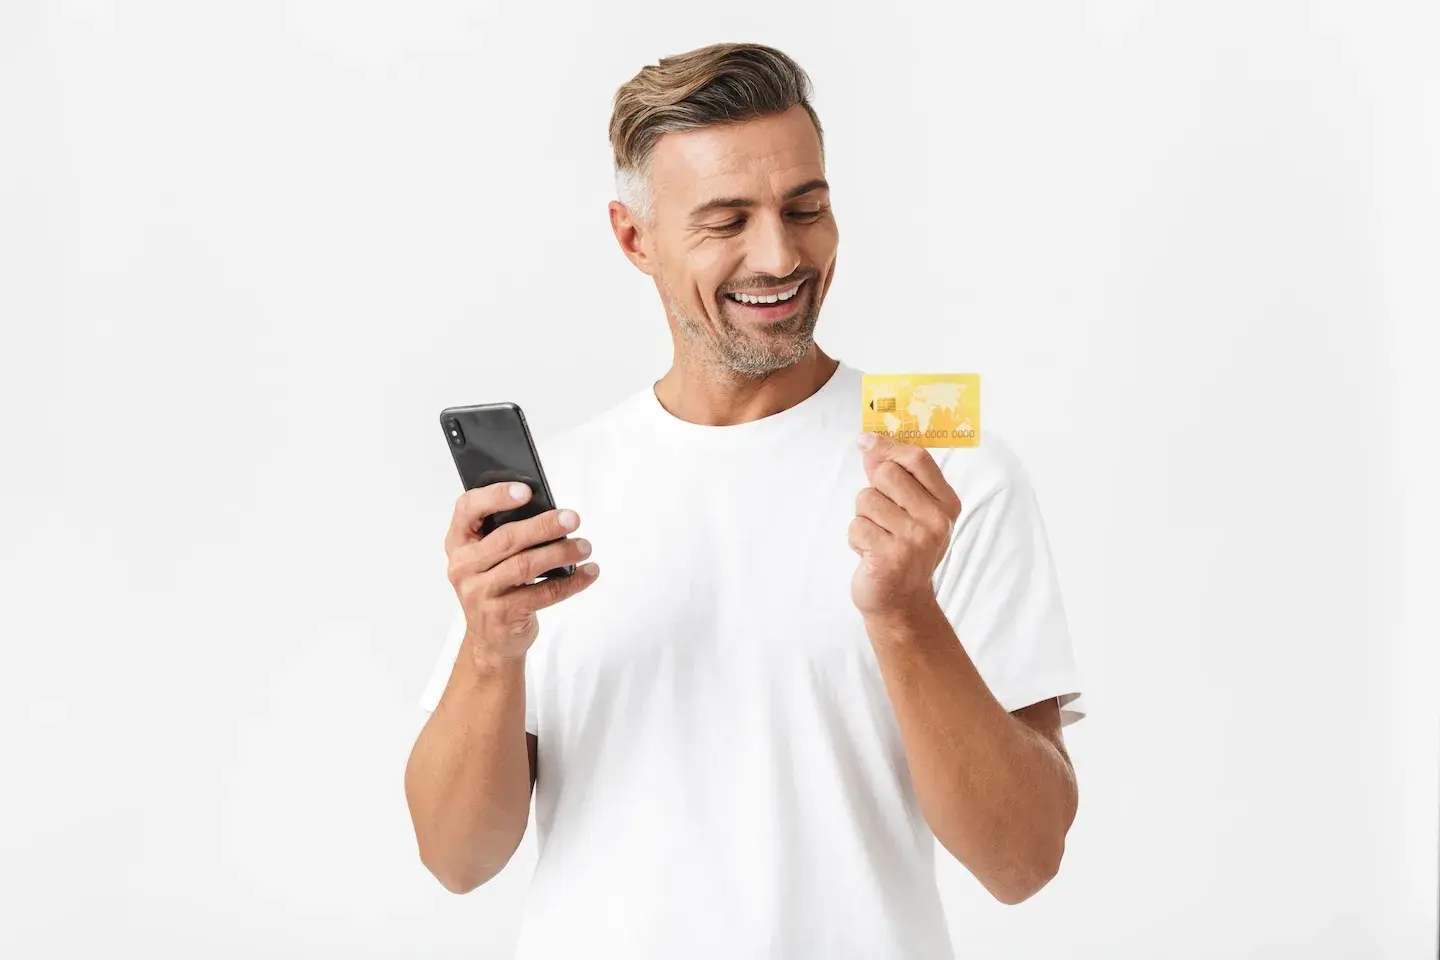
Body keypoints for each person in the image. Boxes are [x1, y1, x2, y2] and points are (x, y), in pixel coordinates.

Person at [404, 41, 1086, 960]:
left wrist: (906, 614)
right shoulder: (557, 499)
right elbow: (456, 859)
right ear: (633, 237)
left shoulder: (942, 472)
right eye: (726, 221)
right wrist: (492, 652)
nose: (780, 255)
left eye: (806, 208)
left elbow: (1024, 861)